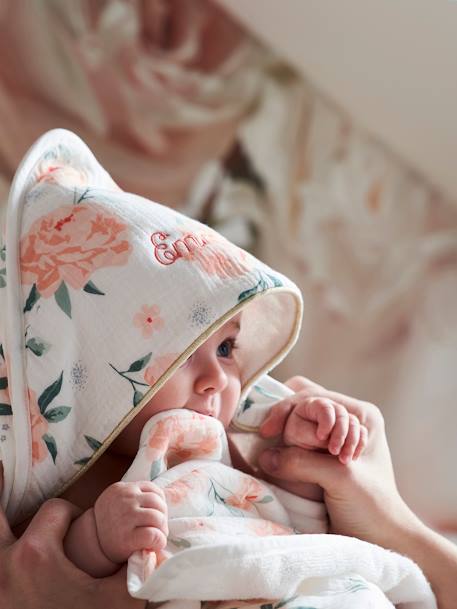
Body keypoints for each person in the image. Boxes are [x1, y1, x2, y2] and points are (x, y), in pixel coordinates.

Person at [59, 312, 366, 577]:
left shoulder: (220, 452)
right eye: (182, 350)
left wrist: (305, 455)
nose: (217, 378)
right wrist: (97, 538)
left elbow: (292, 526)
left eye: (224, 348)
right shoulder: (78, 474)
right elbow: (54, 580)